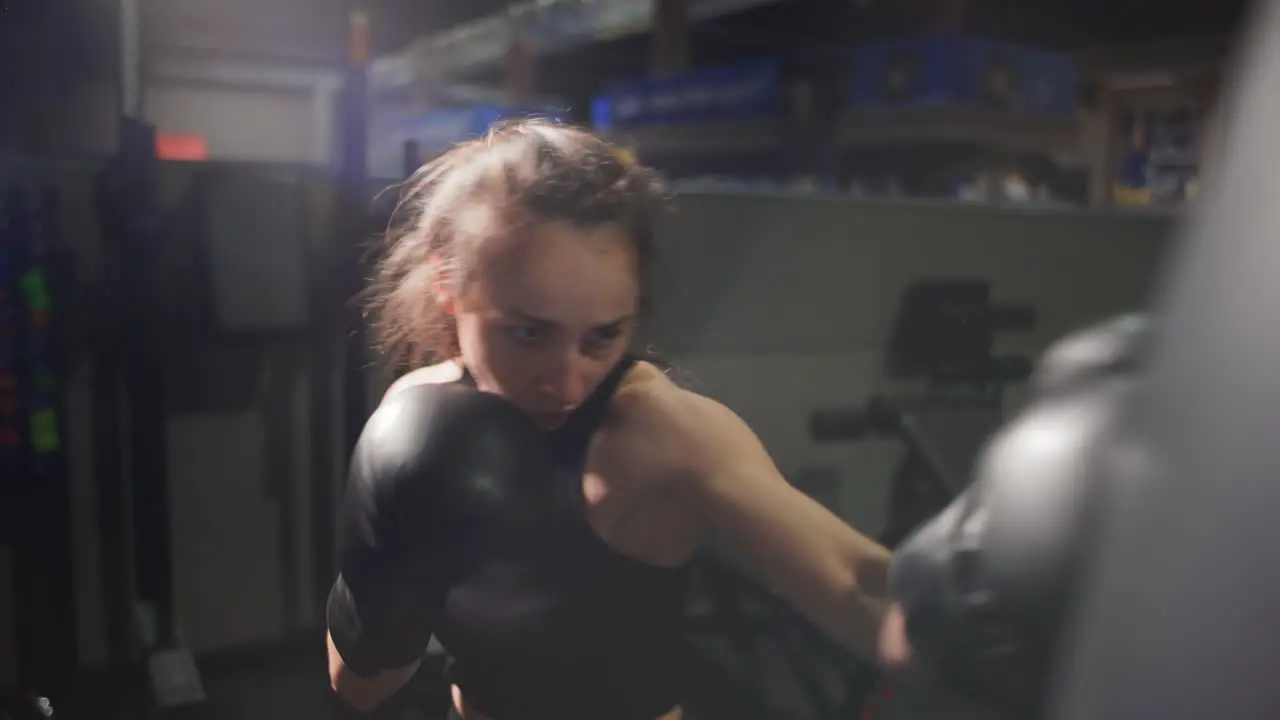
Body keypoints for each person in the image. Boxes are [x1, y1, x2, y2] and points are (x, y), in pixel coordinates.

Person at [325, 119, 898, 720]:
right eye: (528, 333)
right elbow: (360, 685)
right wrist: (385, 574)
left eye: (603, 337)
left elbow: (857, 583)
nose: (567, 382)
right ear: (450, 286)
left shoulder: (666, 434)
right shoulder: (418, 419)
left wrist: (975, 620)